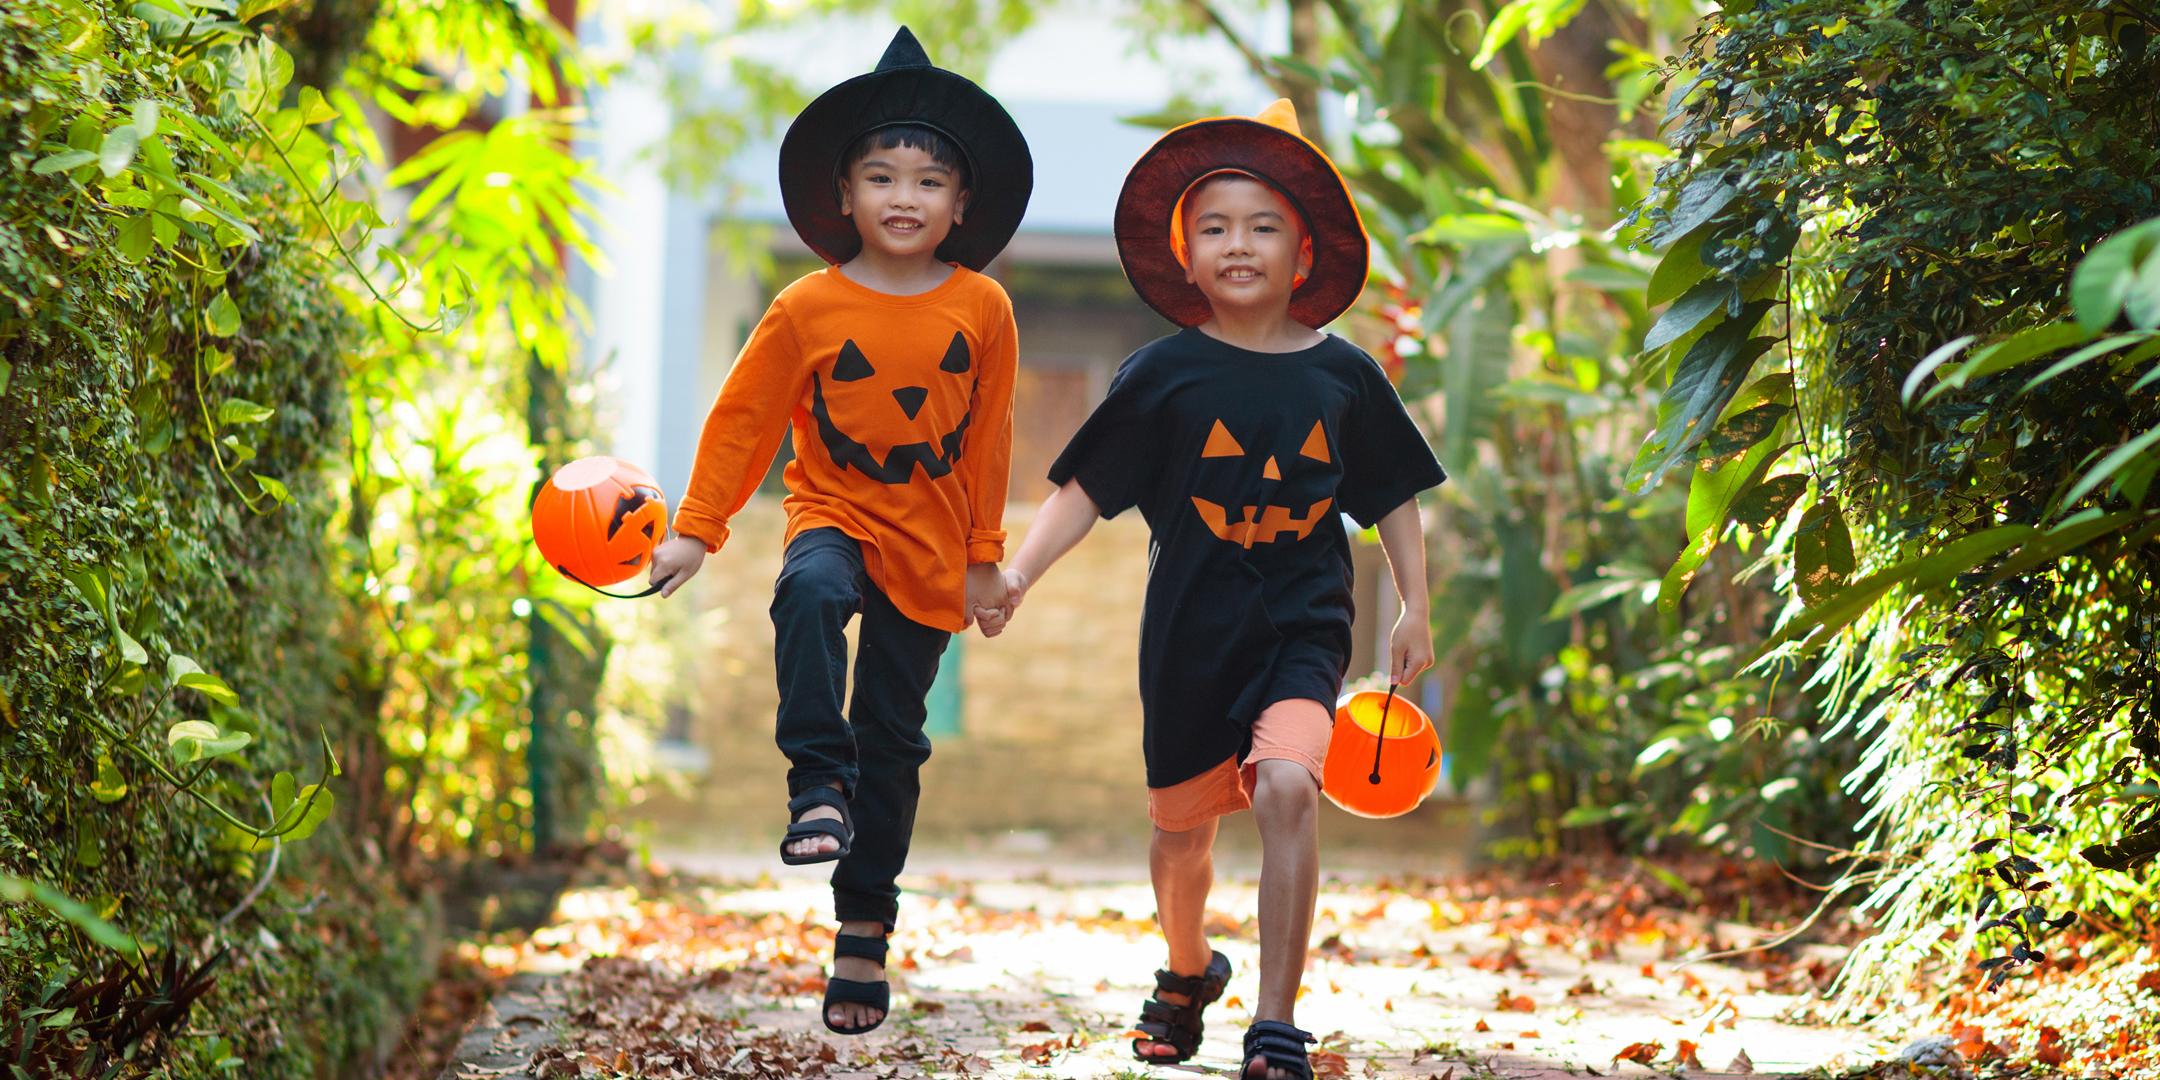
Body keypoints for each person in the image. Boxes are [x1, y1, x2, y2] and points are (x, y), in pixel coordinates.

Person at [991, 100, 1445, 1079]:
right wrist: (1020, 573)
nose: (1238, 244)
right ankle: (1189, 967)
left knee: (1289, 787)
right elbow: (1084, 491)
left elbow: (1394, 491)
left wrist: (1414, 603)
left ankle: (1276, 1022)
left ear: (1304, 253)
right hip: (1189, 639)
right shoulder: (1161, 376)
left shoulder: (1345, 378)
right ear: (1185, 257)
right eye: (1215, 227)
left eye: (1262, 225)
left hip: (1305, 629)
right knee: (1178, 838)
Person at [644, 26, 1031, 1036]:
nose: (905, 197)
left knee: (895, 741)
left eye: (929, 180)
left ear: (961, 204)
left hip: (937, 544)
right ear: (845, 195)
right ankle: (815, 779)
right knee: (809, 590)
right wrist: (697, 528)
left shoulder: (983, 306)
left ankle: (863, 931)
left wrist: (987, 559)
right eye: (881, 176)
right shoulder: (806, 305)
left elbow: (989, 439)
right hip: (834, 511)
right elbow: (744, 421)